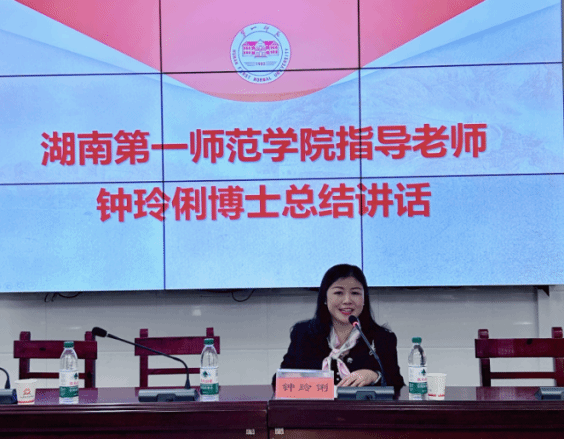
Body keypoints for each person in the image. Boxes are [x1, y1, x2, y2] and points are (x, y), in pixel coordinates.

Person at [274, 264, 405, 390]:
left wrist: (375, 376)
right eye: (338, 293)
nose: (347, 300)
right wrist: (298, 378)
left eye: (355, 293)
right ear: (325, 298)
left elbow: (397, 384)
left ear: (364, 298)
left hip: (361, 406)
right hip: (315, 406)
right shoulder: (304, 334)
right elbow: (278, 381)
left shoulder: (382, 337)